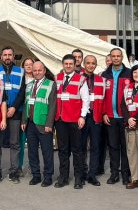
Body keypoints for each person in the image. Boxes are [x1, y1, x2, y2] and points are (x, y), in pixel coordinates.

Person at [55, 54, 90, 189]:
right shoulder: (57, 78)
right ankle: (63, 177)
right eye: (66, 64)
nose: (68, 66)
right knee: (63, 150)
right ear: (63, 65)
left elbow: (86, 100)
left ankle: (78, 179)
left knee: (77, 150)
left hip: (75, 119)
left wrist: (82, 116)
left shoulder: (81, 79)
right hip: (61, 119)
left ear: (75, 64)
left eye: (71, 64)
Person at [22, 61, 57, 187]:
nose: (37, 72)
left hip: (43, 123)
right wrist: (24, 121)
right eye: (35, 70)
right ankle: (36, 175)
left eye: (39, 70)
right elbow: (26, 103)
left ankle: (48, 176)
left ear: (44, 70)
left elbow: (53, 105)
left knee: (47, 152)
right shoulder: (29, 84)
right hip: (30, 123)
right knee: (32, 151)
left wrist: (49, 123)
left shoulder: (51, 84)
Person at [101, 47, 132, 184]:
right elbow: (100, 97)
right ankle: (114, 174)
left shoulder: (129, 73)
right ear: (110, 57)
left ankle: (126, 174)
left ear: (122, 57)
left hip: (125, 117)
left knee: (125, 147)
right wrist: (103, 113)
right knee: (113, 147)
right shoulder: (104, 75)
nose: (116, 58)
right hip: (110, 117)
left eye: (118, 56)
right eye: (113, 56)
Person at [0, 47, 27, 183]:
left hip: (15, 112)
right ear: (1, 57)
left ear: (14, 57)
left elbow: (22, 91)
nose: (7, 57)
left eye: (10, 55)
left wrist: (14, 107)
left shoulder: (21, 71)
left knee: (15, 143)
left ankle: (14, 171)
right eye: (5, 55)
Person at [79, 55, 105, 186]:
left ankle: (92, 174)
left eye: (93, 63)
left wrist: (103, 113)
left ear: (96, 65)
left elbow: (104, 99)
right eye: (88, 63)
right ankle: (82, 172)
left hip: (96, 116)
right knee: (82, 146)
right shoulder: (78, 78)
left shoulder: (101, 80)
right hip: (82, 116)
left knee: (95, 147)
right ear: (84, 64)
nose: (90, 65)